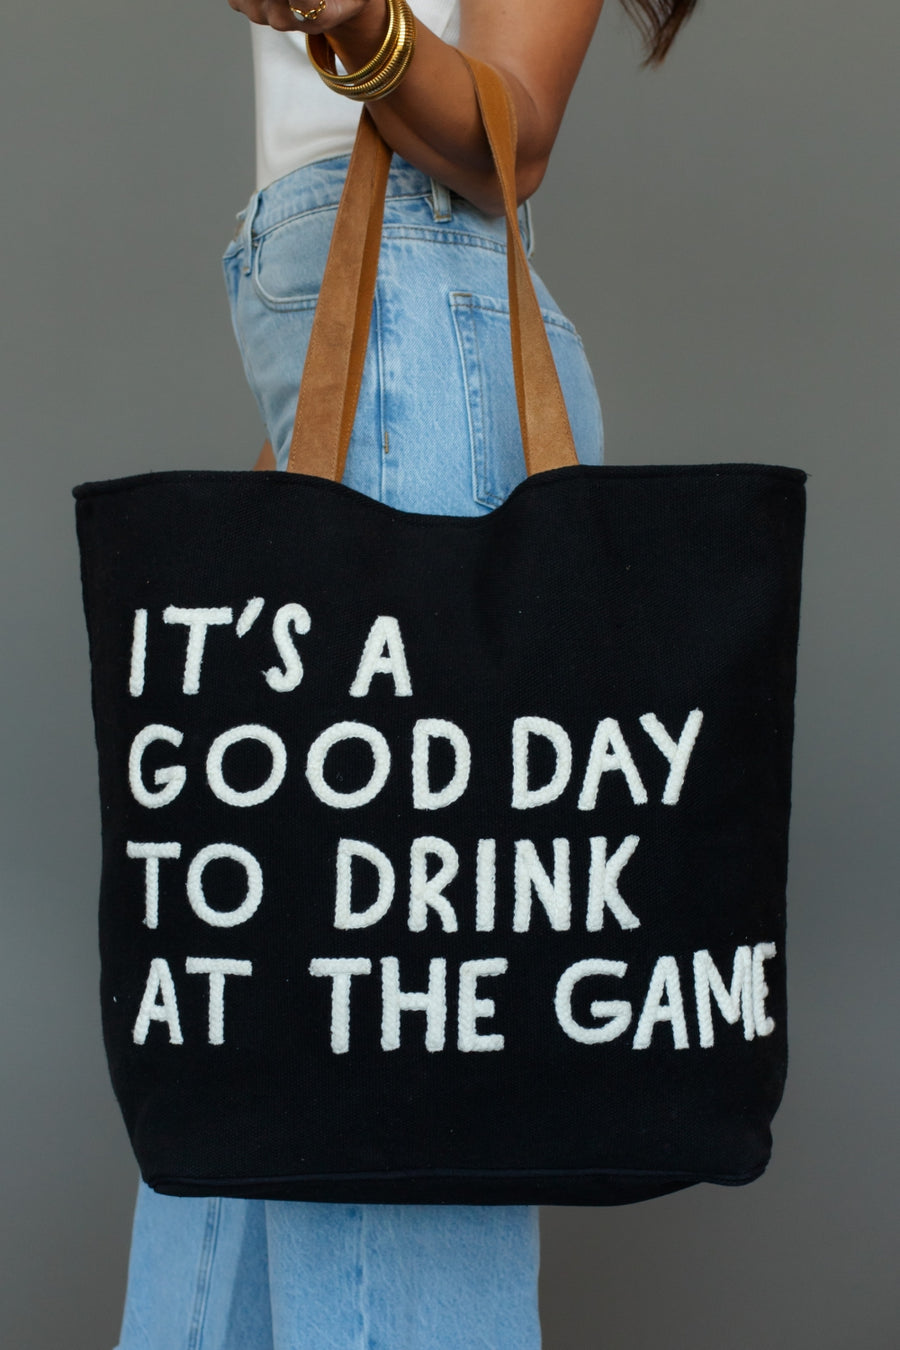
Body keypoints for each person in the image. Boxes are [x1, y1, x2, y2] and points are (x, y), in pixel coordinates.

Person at [114, 2, 696, 1346]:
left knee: (391, 1045)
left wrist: (363, 26)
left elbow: (511, 129)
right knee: (241, 1046)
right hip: (351, 357)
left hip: (423, 347)